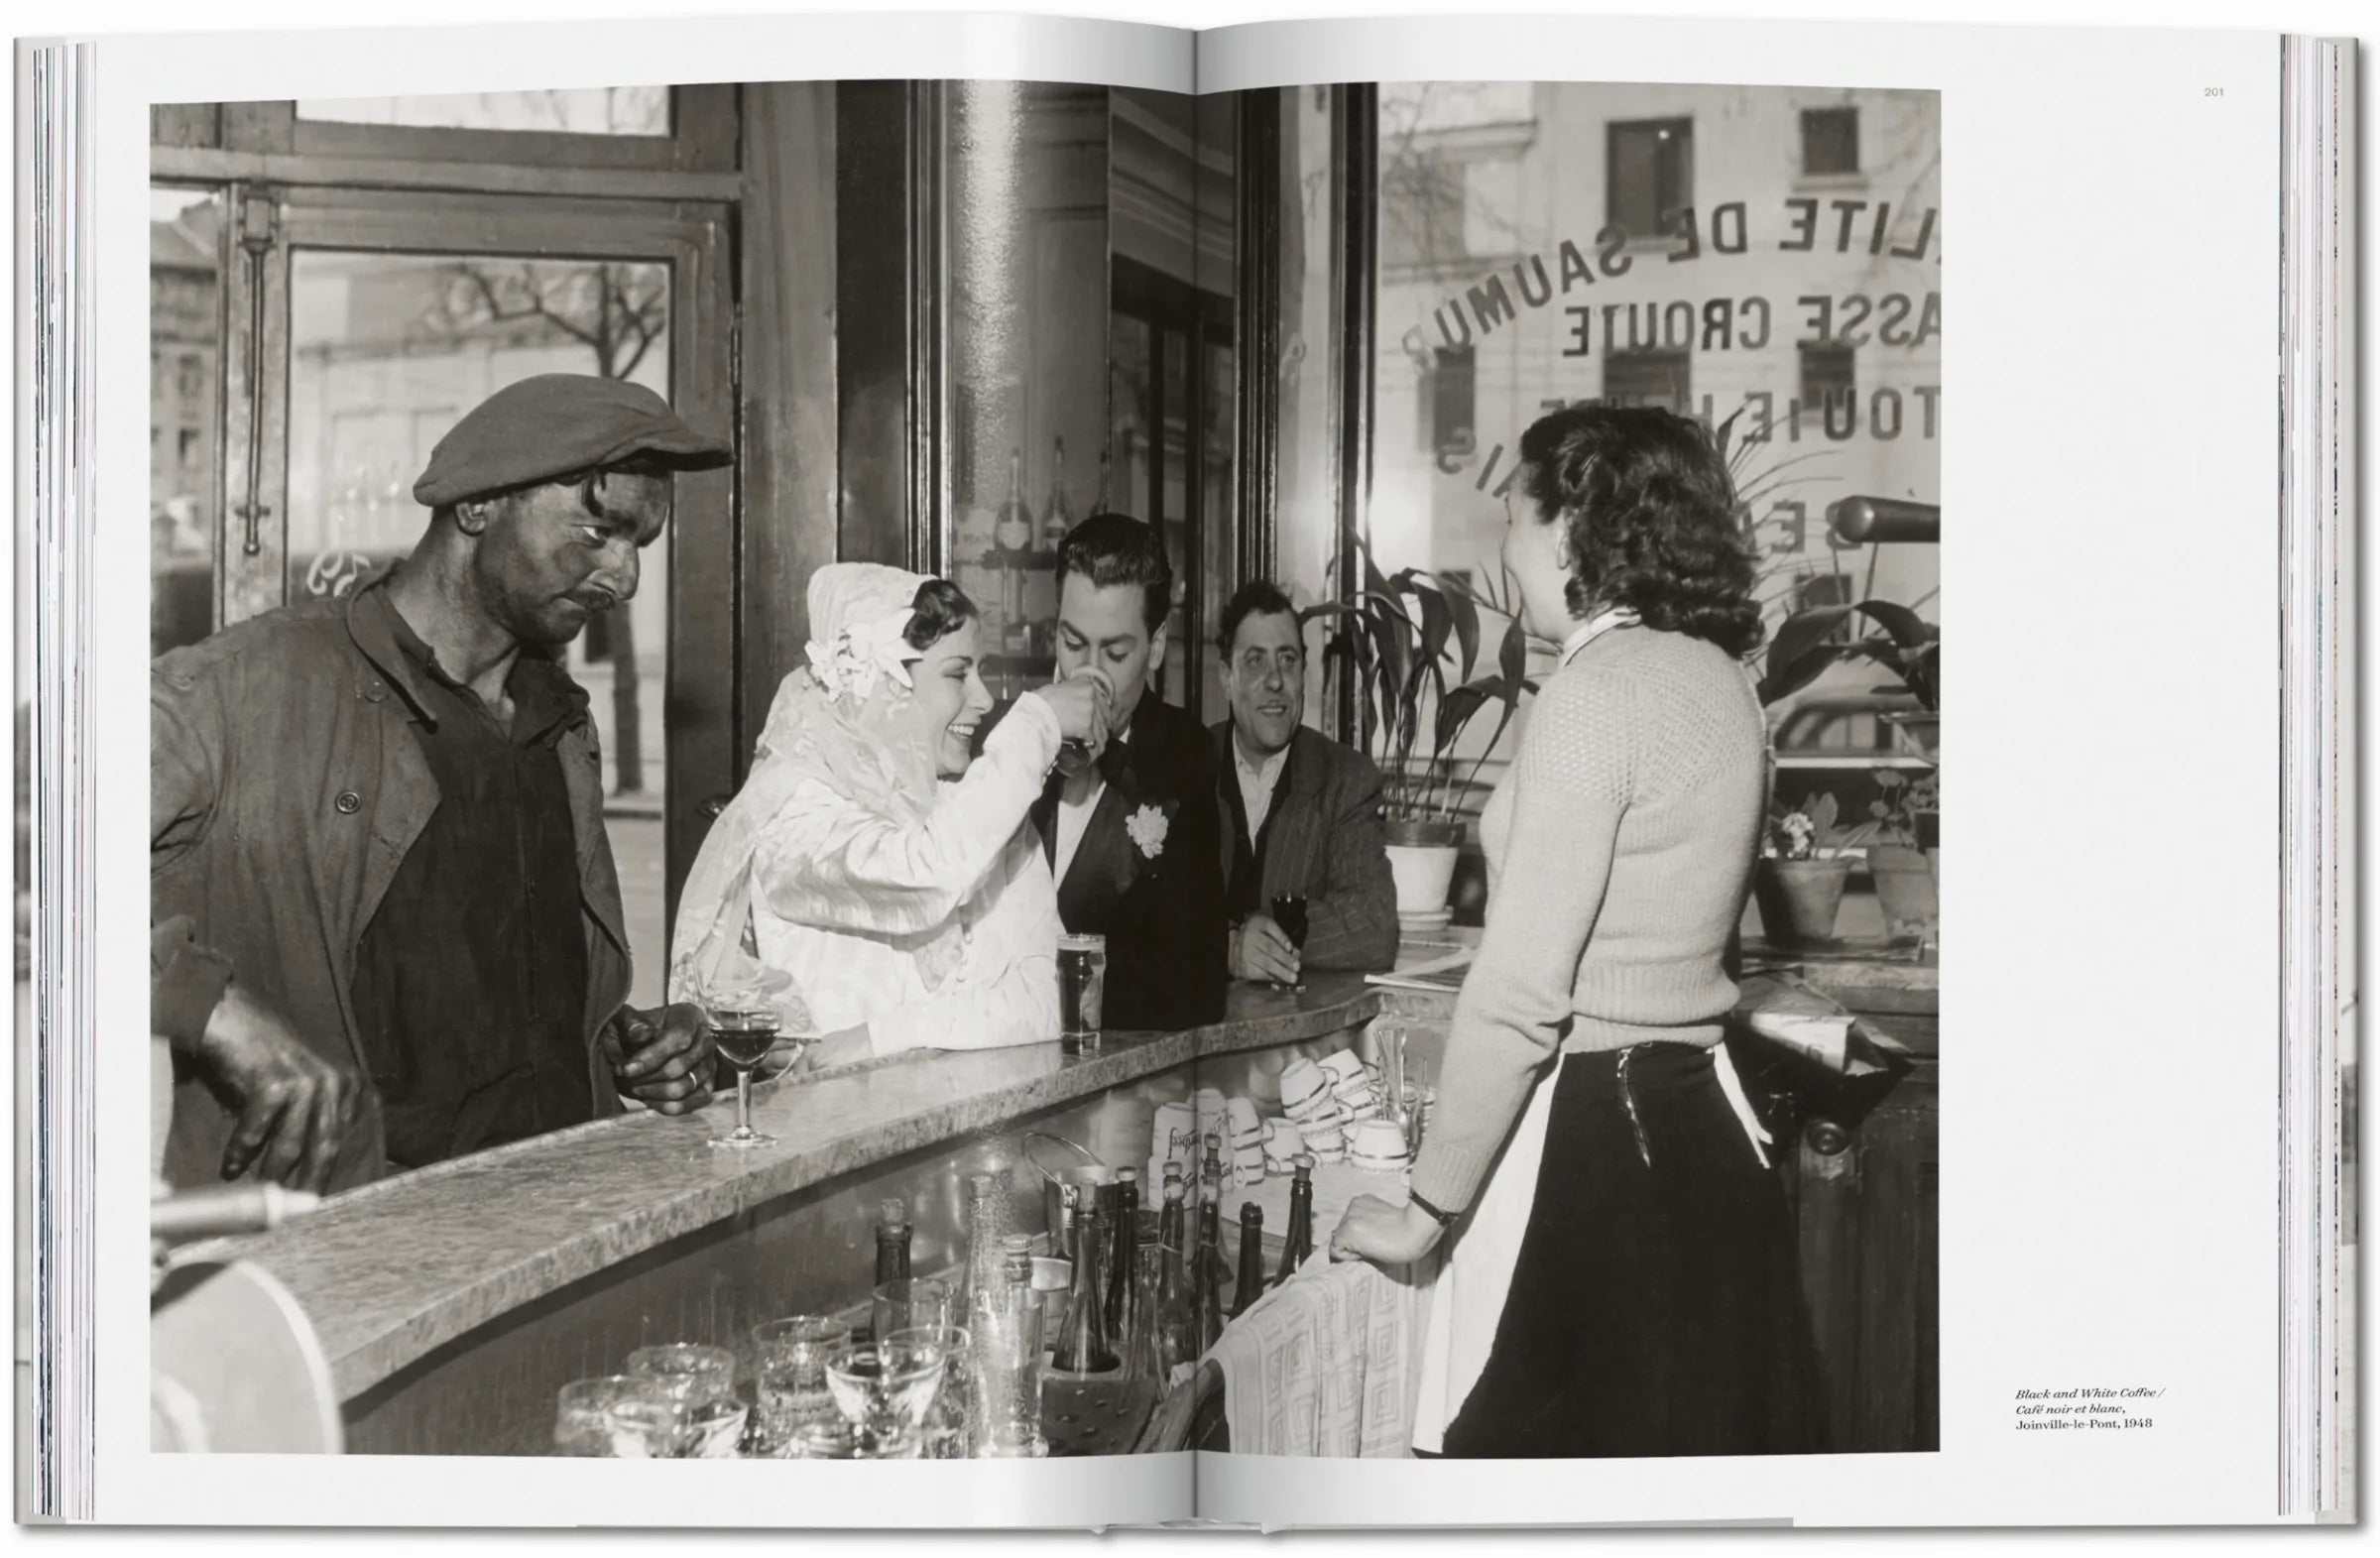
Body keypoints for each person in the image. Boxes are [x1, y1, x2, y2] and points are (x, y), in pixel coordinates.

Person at [1331, 405, 1818, 1459]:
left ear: (1567, 533)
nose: (1503, 547)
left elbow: (1519, 988)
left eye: (1513, 515)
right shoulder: (1724, 681)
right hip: (1700, 1125)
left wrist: (1424, 1208)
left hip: (1602, 1134)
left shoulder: (1595, 694)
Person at [151, 374, 732, 1192]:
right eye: (599, 530)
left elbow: (467, 995)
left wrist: (621, 1043)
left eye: (640, 544)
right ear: (477, 504)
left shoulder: (557, 724)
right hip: (350, 1249)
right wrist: (208, 1009)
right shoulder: (246, 688)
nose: (625, 578)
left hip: (556, 1223)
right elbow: (37, 874)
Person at [667, 564, 1112, 1069]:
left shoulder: (979, 808)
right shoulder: (794, 819)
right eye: (958, 673)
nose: (985, 699)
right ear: (886, 687)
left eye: (980, 671)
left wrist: (880, 1037)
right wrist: (1038, 722)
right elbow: (927, 874)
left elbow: (1055, 1000)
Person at [1003, 512, 1228, 1031]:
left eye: (1116, 652)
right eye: (1073, 643)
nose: (1090, 673)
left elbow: (1196, 986)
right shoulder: (1008, 736)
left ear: (1156, 646)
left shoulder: (1185, 756)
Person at [1209, 581, 1397, 982]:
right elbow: (1146, 912)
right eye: (1256, 661)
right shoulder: (1187, 764)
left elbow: (1373, 928)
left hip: (1299, 1038)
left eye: (1288, 660)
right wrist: (1224, 945)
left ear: (1303, 673)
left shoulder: (1346, 779)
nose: (1275, 681)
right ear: (1226, 677)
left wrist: (1255, 933)